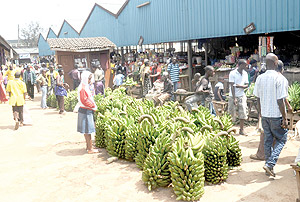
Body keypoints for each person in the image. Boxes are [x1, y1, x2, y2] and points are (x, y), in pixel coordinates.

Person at [253, 53, 288, 177]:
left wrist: (260, 113)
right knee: (282, 138)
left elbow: (257, 98)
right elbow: (280, 101)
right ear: (275, 63)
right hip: (276, 116)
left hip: (265, 115)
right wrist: (284, 118)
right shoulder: (280, 78)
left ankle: (268, 167)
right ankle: (270, 164)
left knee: (268, 140)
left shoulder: (259, 78)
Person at [77, 71, 98, 154]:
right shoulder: (83, 88)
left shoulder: (84, 86)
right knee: (88, 130)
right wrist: (93, 106)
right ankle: (90, 149)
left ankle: (89, 146)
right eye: (89, 78)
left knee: (87, 130)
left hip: (85, 109)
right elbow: (84, 100)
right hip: (86, 110)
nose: (90, 80)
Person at [228, 59, 249, 135]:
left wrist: (240, 86)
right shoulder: (233, 73)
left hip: (242, 95)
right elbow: (232, 86)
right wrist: (234, 98)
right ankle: (229, 129)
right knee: (231, 113)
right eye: (245, 65)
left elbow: (247, 84)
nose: (246, 66)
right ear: (240, 65)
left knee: (243, 112)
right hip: (232, 96)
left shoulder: (245, 73)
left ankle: (241, 129)